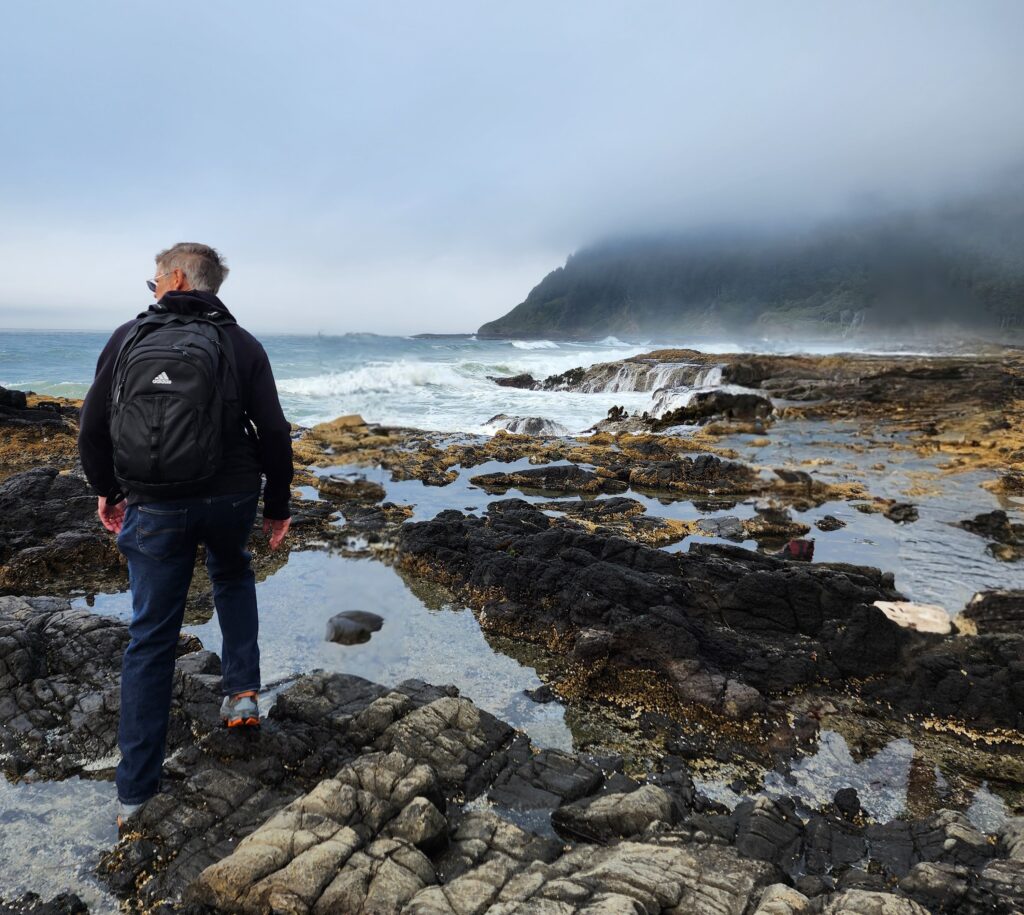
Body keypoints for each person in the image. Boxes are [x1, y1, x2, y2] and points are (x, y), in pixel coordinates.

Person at [78, 243, 293, 827]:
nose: (151, 290)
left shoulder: (128, 336)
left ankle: (135, 795)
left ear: (175, 278)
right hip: (229, 497)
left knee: (151, 637)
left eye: (153, 281)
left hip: (154, 505)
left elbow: (92, 426)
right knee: (231, 572)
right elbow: (273, 430)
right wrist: (277, 505)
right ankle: (243, 692)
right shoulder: (240, 343)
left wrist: (109, 489)